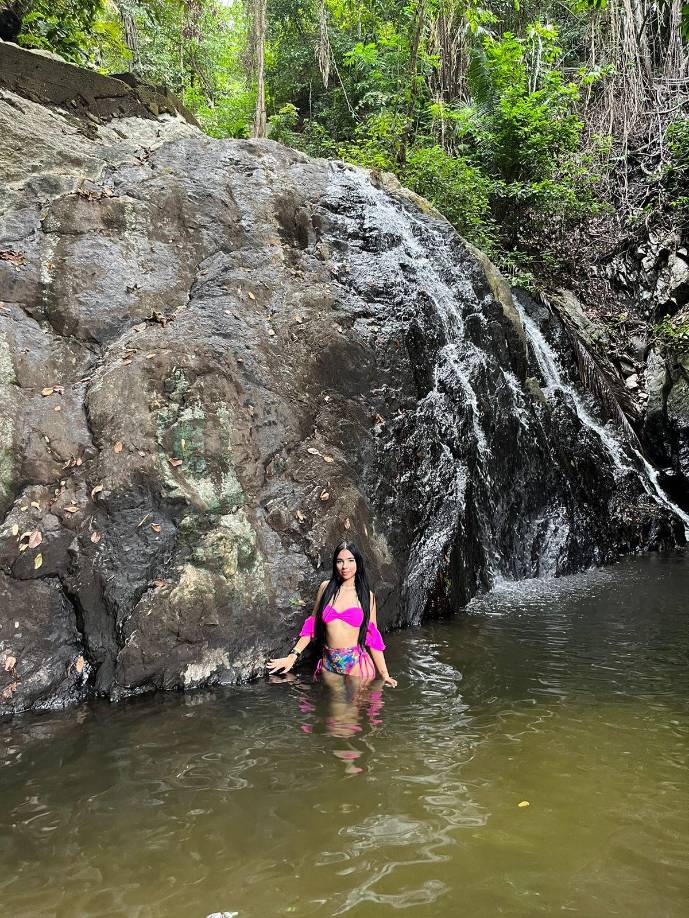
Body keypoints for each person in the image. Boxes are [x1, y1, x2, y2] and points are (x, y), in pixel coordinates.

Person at [266, 541, 398, 688]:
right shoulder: (325, 588)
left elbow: (372, 636)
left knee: (346, 709)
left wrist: (385, 674)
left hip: (355, 664)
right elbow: (312, 626)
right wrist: (292, 656)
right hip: (329, 663)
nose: (345, 566)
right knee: (334, 707)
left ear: (358, 563)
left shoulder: (367, 596)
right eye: (340, 561)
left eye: (350, 561)